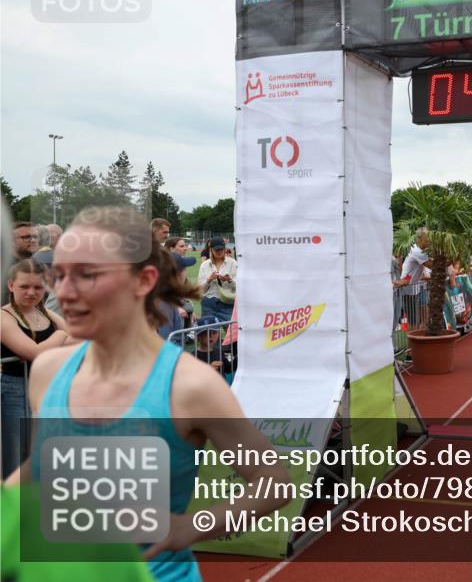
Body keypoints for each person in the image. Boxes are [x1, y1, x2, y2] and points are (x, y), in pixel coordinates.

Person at [4, 206, 290, 582]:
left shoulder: (192, 386)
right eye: (59, 276)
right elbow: (42, 464)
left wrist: (191, 526)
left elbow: (274, 482)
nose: (65, 293)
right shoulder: (47, 371)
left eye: (87, 274)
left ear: (143, 280)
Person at [0, 260, 73, 478]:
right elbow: (34, 352)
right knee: (17, 453)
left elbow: (78, 339)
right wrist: (60, 337)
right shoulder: (5, 317)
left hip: (44, 389)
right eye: (24, 286)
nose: (32, 293)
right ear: (11, 286)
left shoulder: (46, 314)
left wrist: (51, 343)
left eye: (38, 287)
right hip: (14, 391)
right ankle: (13, 506)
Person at [198, 237, 237, 322]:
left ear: (225, 248)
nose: (219, 252)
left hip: (227, 302)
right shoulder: (204, 265)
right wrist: (209, 280)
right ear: (211, 250)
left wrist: (229, 280)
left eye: (221, 249)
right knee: (209, 332)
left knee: (230, 331)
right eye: (216, 250)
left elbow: (239, 286)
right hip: (209, 303)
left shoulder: (233, 263)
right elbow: (200, 289)